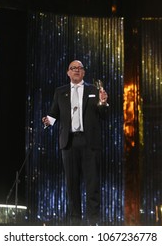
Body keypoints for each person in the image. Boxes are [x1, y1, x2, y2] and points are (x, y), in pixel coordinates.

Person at [42, 60, 109, 226]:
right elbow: (53, 114)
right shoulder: (60, 92)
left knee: (92, 186)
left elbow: (104, 114)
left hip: (90, 143)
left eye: (80, 68)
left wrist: (103, 102)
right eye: (73, 68)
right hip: (69, 143)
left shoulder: (94, 90)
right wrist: (47, 121)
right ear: (68, 72)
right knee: (72, 187)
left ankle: (94, 226)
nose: (77, 70)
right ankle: (75, 228)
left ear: (84, 73)